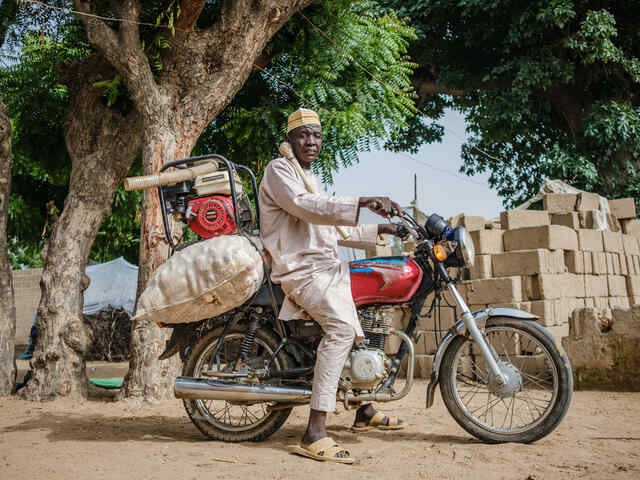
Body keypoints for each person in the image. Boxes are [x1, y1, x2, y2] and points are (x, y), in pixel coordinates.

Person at [259, 108, 406, 464]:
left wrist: (385, 228)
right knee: (341, 330)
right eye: (304, 135)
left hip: (326, 268)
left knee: (362, 324)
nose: (312, 141)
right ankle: (314, 433)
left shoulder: (310, 177)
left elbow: (335, 227)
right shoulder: (280, 171)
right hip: (301, 269)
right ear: (291, 139)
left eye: (317, 136)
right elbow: (307, 208)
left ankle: (363, 409)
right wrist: (362, 202)